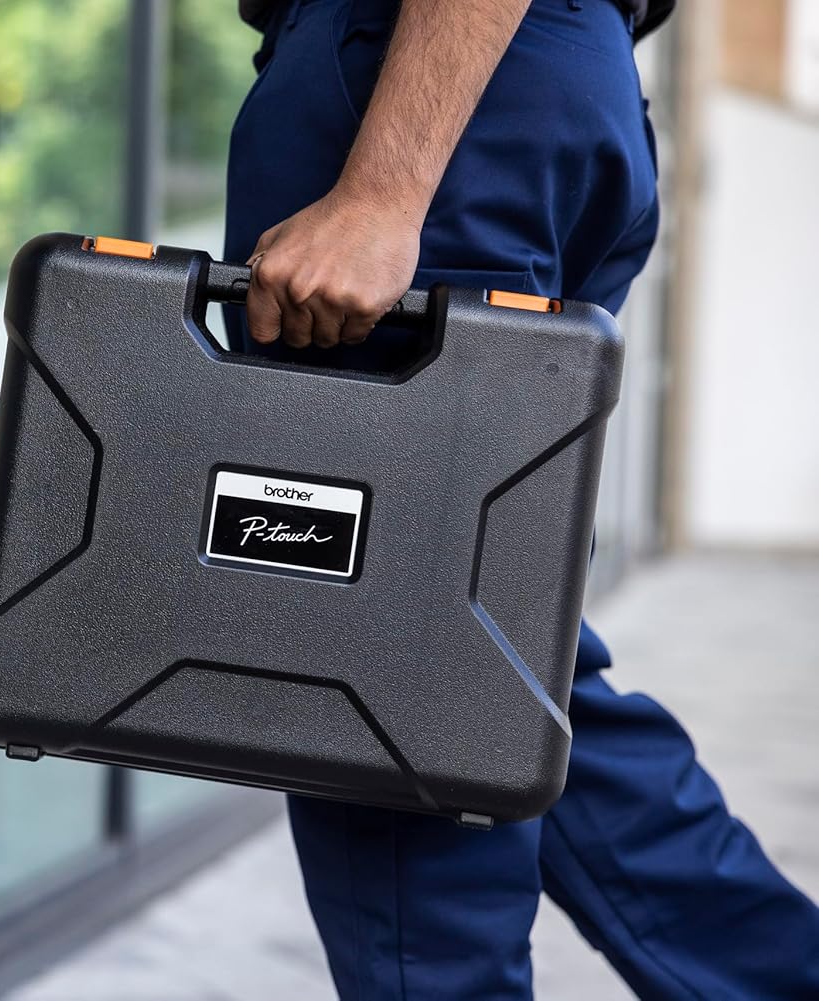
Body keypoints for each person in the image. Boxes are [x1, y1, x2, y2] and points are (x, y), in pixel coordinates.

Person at [222, 0, 819, 997]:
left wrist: (383, 190)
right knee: (497, 669)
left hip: (430, 91)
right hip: (526, 87)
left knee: (392, 685)